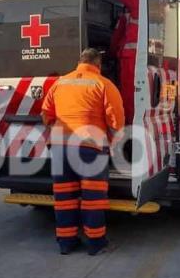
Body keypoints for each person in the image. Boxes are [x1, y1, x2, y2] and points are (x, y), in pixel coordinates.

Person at [41, 48, 125, 255]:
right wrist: (113, 141)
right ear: (98, 64)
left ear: (80, 62)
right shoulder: (103, 84)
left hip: (60, 148)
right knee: (93, 199)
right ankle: (96, 244)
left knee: (64, 198)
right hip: (91, 149)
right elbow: (116, 120)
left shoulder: (59, 83)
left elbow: (46, 114)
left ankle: (66, 243)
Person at [110, 0, 139, 125]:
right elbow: (118, 36)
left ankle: (128, 125)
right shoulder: (131, 13)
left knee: (128, 95)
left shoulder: (137, 1)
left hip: (131, 59)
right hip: (134, 57)